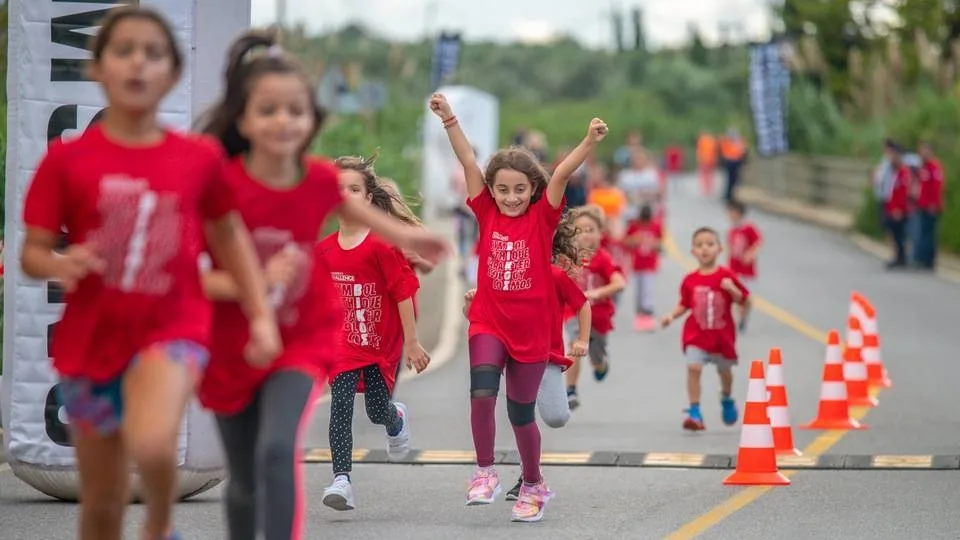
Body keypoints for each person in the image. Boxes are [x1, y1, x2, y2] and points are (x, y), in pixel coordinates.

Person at [18, 8, 283, 540]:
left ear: (172, 73)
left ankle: (159, 524)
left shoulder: (196, 158)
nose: (138, 63)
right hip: (90, 343)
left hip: (174, 329)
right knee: (102, 503)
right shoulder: (65, 162)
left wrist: (260, 317)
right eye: (124, 51)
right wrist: (61, 263)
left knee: (154, 441)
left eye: (153, 53)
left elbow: (229, 239)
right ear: (98, 69)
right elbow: (33, 254)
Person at [195, 32, 449, 540]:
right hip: (234, 339)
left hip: (304, 338)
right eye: (269, 109)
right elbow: (197, 274)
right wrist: (254, 287)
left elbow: (358, 210)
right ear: (243, 119)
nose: (284, 120)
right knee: (244, 472)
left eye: (297, 109)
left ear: (311, 120)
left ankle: (330, 488)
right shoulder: (219, 182)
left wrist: (409, 235)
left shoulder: (314, 178)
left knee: (276, 449)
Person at [430, 91, 608, 522]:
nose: (510, 197)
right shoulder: (486, 213)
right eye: (502, 189)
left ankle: (533, 483)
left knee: (520, 413)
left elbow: (562, 174)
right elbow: (469, 163)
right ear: (490, 191)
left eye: (520, 190)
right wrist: (450, 118)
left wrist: (588, 141)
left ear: (533, 191)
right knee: (480, 394)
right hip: (488, 321)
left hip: (530, 333)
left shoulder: (541, 218)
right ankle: (485, 471)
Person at [317, 156, 432, 512]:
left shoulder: (381, 246)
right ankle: (342, 481)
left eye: (355, 189)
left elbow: (402, 293)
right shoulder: (324, 250)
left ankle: (395, 418)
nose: (347, 196)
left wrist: (412, 342)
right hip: (343, 346)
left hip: (382, 345)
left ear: (368, 199)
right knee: (340, 409)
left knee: (376, 410)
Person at [462, 210, 591, 501]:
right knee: (504, 404)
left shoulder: (554, 275)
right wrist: (471, 305)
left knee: (555, 417)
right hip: (503, 344)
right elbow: (475, 314)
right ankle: (518, 476)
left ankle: (532, 473)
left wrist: (582, 340)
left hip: (544, 353)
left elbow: (582, 304)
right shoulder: (503, 273)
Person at [661, 227, 749, 431]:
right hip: (696, 335)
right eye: (699, 245)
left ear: (720, 249)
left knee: (725, 372)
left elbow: (743, 299)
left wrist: (732, 289)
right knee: (693, 368)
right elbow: (684, 304)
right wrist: (671, 316)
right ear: (693, 251)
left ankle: (726, 397)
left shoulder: (727, 275)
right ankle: (694, 411)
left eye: (710, 244)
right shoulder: (690, 280)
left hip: (721, 337)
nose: (705, 249)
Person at [563, 205, 626, 410]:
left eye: (590, 230)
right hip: (574, 313)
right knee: (574, 346)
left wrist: (596, 293)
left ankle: (601, 363)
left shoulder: (603, 258)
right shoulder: (567, 259)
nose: (585, 235)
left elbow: (619, 283)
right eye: (579, 230)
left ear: (600, 233)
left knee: (595, 358)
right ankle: (570, 390)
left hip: (599, 316)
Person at [622, 203, 662, 332]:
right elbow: (625, 241)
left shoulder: (655, 226)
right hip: (637, 263)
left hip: (649, 264)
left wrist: (653, 243)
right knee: (639, 289)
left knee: (647, 287)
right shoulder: (634, 226)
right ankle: (640, 311)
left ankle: (647, 310)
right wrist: (635, 240)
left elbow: (660, 243)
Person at [725, 199, 762, 332]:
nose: (729, 214)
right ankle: (739, 319)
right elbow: (730, 249)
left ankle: (743, 317)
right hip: (735, 270)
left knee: (747, 298)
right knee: (737, 296)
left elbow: (758, 242)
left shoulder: (748, 228)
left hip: (748, 270)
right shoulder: (731, 230)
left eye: (732, 212)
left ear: (738, 213)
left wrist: (750, 254)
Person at [914, 142, 944, 269]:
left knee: (929, 234)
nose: (923, 154)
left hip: (931, 207)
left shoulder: (934, 167)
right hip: (922, 205)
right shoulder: (923, 168)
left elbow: (937, 187)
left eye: (925, 152)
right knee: (923, 232)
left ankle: (929, 260)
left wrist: (933, 204)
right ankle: (923, 258)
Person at [882, 145, 911, 269]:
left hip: (899, 210)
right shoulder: (896, 172)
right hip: (892, 208)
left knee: (899, 235)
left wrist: (898, 208)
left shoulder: (904, 173)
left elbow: (903, 193)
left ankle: (902, 258)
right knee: (894, 234)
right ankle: (897, 256)